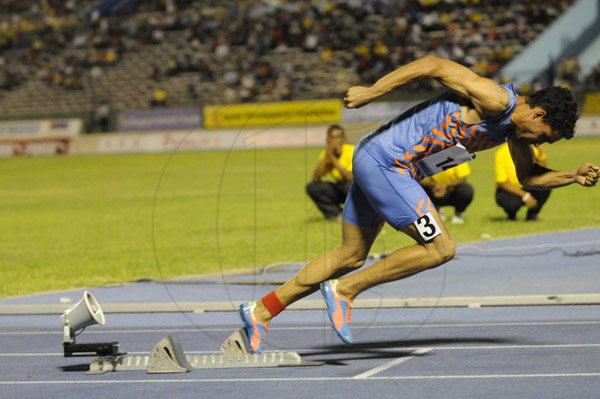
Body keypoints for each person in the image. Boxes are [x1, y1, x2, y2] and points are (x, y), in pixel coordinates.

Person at [237, 55, 599, 353]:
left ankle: (261, 311)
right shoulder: (495, 100)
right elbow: (434, 65)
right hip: (387, 164)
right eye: (544, 136)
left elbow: (529, 178)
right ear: (538, 115)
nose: (539, 143)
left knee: (350, 255)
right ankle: (345, 291)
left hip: (376, 161)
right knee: (441, 248)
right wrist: (372, 91)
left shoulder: (511, 132)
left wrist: (572, 174)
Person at [306, 125, 355, 220]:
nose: (335, 141)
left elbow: (350, 177)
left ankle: (356, 215)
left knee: (350, 186)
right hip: (340, 187)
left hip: (355, 188)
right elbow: (316, 178)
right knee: (313, 187)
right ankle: (336, 214)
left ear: (343, 139)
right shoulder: (327, 154)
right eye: (332, 138)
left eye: (337, 137)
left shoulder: (351, 150)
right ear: (327, 140)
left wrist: (333, 159)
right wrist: (326, 159)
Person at [495, 142, 551, 221]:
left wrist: (541, 156)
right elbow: (502, 182)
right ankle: (511, 216)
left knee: (545, 185)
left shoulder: (532, 147)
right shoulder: (502, 152)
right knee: (512, 204)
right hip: (510, 189)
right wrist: (525, 196)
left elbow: (542, 172)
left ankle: (532, 215)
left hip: (528, 185)